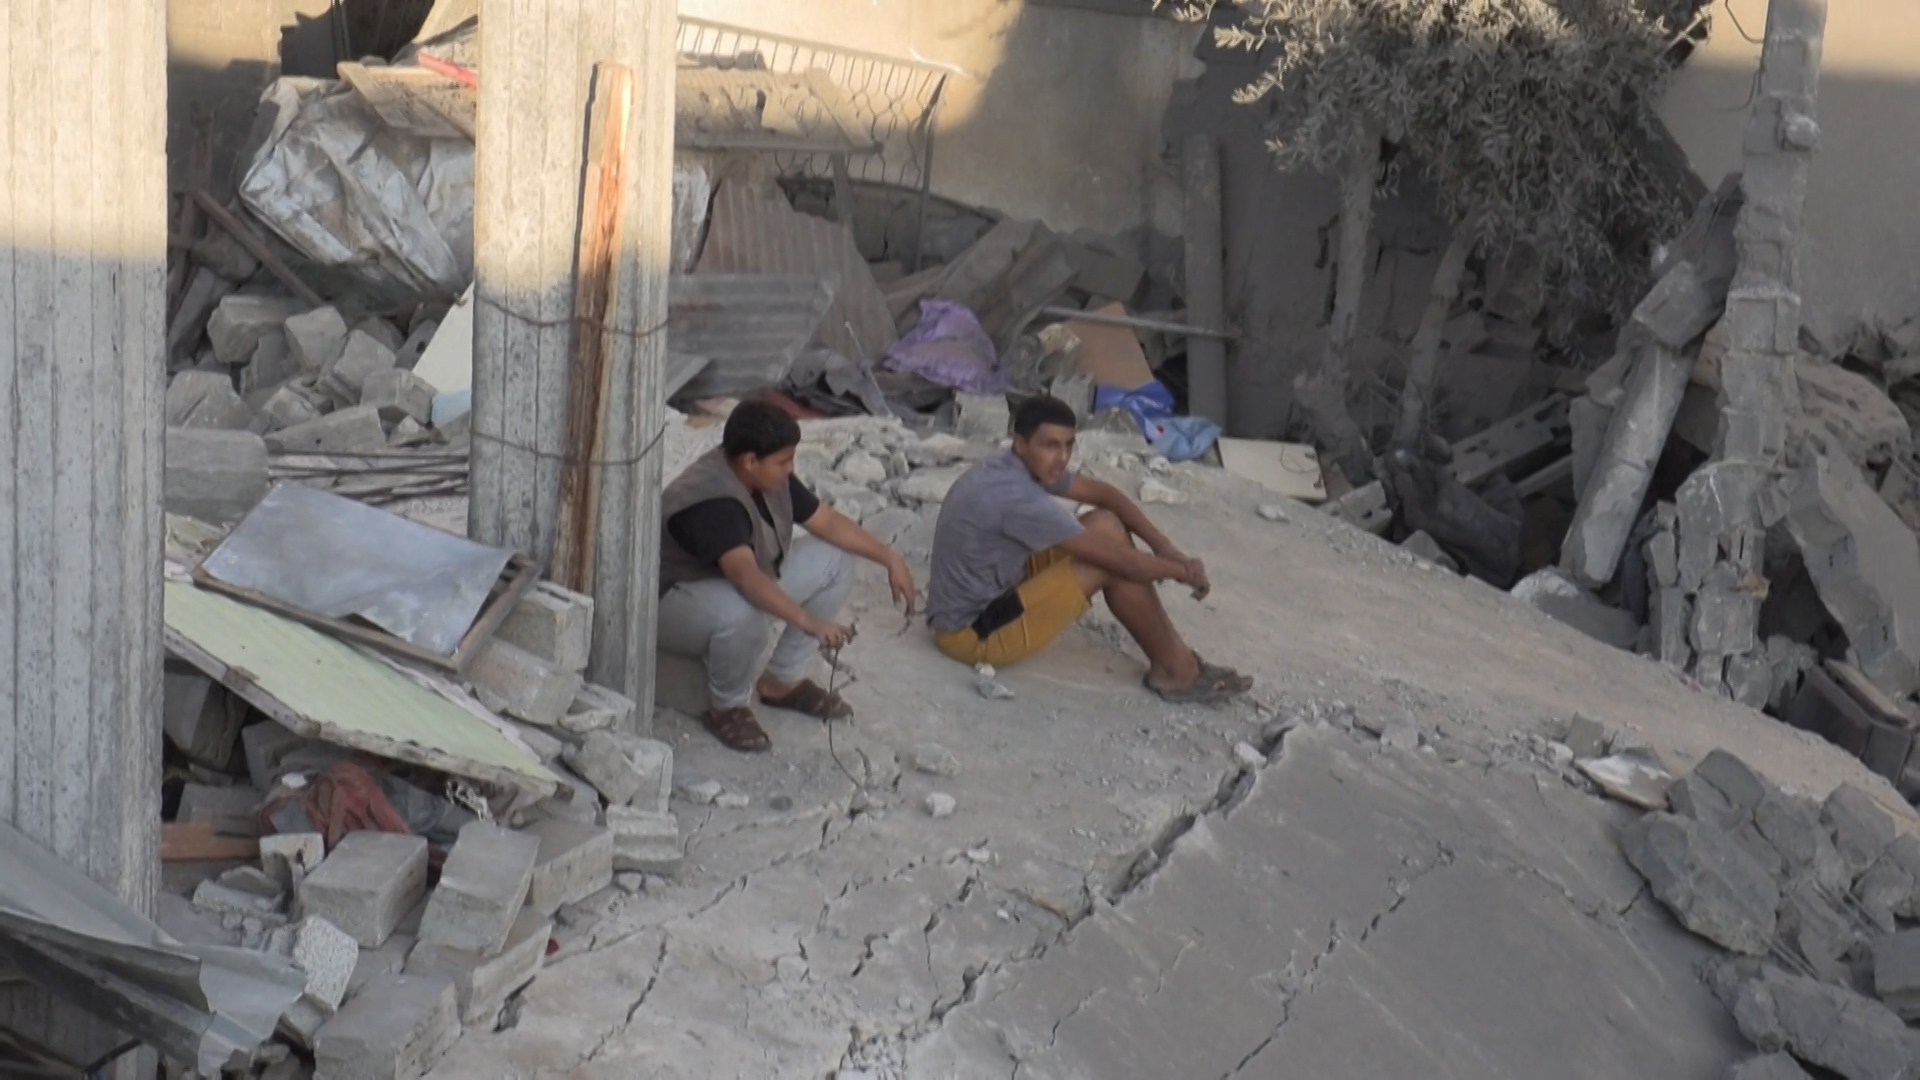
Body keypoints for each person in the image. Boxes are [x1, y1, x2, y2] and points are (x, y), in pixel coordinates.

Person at [926, 395, 1251, 704]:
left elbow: (1106, 496)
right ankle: (1177, 672)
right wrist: (1184, 571)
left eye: (1068, 445)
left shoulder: (1016, 464)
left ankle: (1175, 663)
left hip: (1000, 585)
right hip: (970, 633)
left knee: (1107, 524)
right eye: (1051, 445)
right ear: (1020, 443)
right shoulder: (1018, 498)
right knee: (1108, 564)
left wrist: (1165, 548)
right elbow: (1126, 564)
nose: (1062, 457)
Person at [657, 399, 917, 752]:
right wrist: (808, 621)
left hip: (722, 584)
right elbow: (746, 578)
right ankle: (727, 707)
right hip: (672, 601)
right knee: (742, 613)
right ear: (750, 461)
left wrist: (890, 558)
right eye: (783, 461)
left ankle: (782, 681)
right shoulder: (713, 501)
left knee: (835, 561)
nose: (790, 469)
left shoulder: (766, 477)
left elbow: (827, 522)